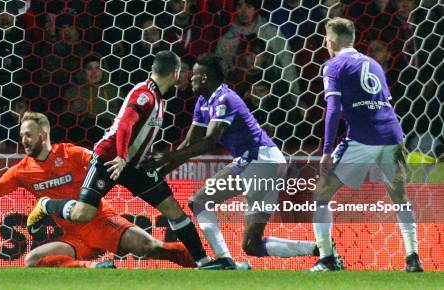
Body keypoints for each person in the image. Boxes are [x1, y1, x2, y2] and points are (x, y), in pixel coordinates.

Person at [28, 51, 234, 269]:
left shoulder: (160, 99)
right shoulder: (145, 94)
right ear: (174, 73)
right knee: (83, 213)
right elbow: (126, 123)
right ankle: (46, 204)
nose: (183, 76)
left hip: (134, 165)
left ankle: (203, 262)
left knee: (174, 210)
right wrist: (121, 156)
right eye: (181, 71)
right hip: (109, 159)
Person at [0, 112, 195, 269]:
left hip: (101, 221)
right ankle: (93, 268)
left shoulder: (73, 154)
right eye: (21, 137)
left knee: (153, 247)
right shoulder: (22, 171)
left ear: (43, 133)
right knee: (33, 260)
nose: (24, 141)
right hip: (73, 237)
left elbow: (106, 166)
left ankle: (205, 263)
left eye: (28, 135)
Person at [144, 53, 327, 267]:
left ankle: (223, 260)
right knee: (252, 245)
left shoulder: (225, 98)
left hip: (260, 160)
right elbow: (188, 145)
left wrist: (164, 158)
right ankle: (322, 250)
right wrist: (161, 172)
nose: (189, 78)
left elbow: (210, 141)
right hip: (266, 162)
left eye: (193, 74)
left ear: (203, 77)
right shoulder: (203, 102)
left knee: (199, 201)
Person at [311, 17, 422, 272]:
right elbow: (386, 102)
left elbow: (333, 109)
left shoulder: (333, 66)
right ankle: (413, 256)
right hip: (393, 135)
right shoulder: (374, 64)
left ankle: (327, 259)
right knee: (399, 197)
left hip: (363, 137)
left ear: (331, 41)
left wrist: (327, 150)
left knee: (321, 193)